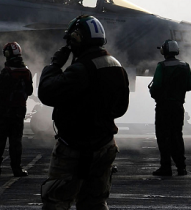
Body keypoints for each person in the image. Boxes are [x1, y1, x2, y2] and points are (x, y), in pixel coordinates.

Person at [38, 15, 129, 209]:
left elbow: (47, 93)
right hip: (105, 145)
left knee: (56, 201)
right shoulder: (116, 66)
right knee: (95, 202)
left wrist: (54, 66)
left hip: (74, 146)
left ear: (77, 37)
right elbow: (121, 108)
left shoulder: (81, 69)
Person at [0, 42, 33, 177]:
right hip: (19, 112)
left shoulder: (6, 72)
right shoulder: (26, 72)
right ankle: (17, 169)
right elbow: (29, 91)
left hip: (4, 112)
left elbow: (0, 93)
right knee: (16, 141)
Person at [149, 39, 191, 176]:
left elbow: (156, 86)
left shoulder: (161, 66)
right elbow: (189, 86)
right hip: (178, 107)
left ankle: (166, 167)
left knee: (163, 137)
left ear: (164, 51)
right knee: (177, 136)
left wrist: (154, 93)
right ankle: (182, 168)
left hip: (163, 107)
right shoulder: (185, 66)